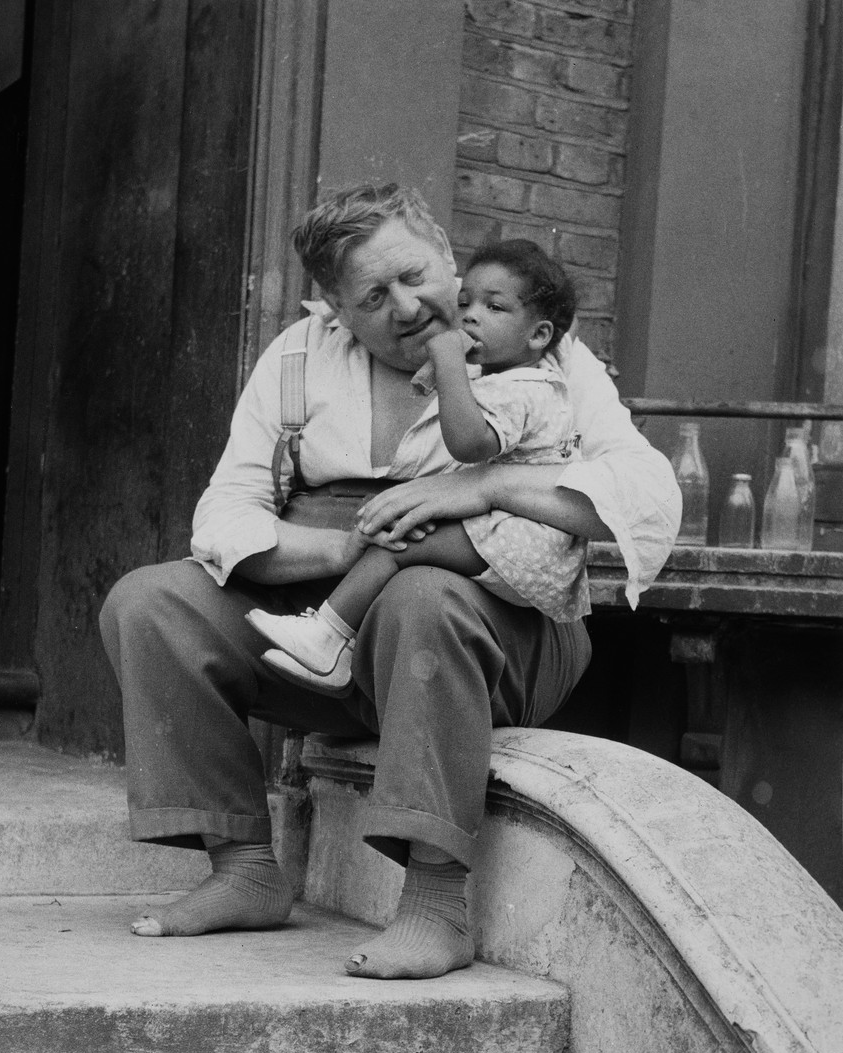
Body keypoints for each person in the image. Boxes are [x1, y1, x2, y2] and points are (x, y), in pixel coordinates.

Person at [99, 183, 680, 980]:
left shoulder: (542, 356)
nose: (407, 306)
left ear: (447, 258)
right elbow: (222, 518)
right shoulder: (298, 361)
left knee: (422, 596)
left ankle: (436, 904)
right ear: (334, 307)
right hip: (333, 632)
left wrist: (485, 490)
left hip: (498, 637)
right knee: (150, 602)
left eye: (415, 275)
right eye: (373, 295)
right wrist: (356, 549)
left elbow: (646, 496)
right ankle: (243, 868)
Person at [245, 238, 589, 695]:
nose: (470, 316)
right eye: (466, 302)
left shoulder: (524, 388)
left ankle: (328, 637)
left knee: (401, 540)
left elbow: (469, 445)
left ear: (539, 335)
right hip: (525, 540)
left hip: (523, 540)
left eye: (494, 307)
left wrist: (446, 360)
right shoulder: (519, 378)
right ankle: (335, 646)